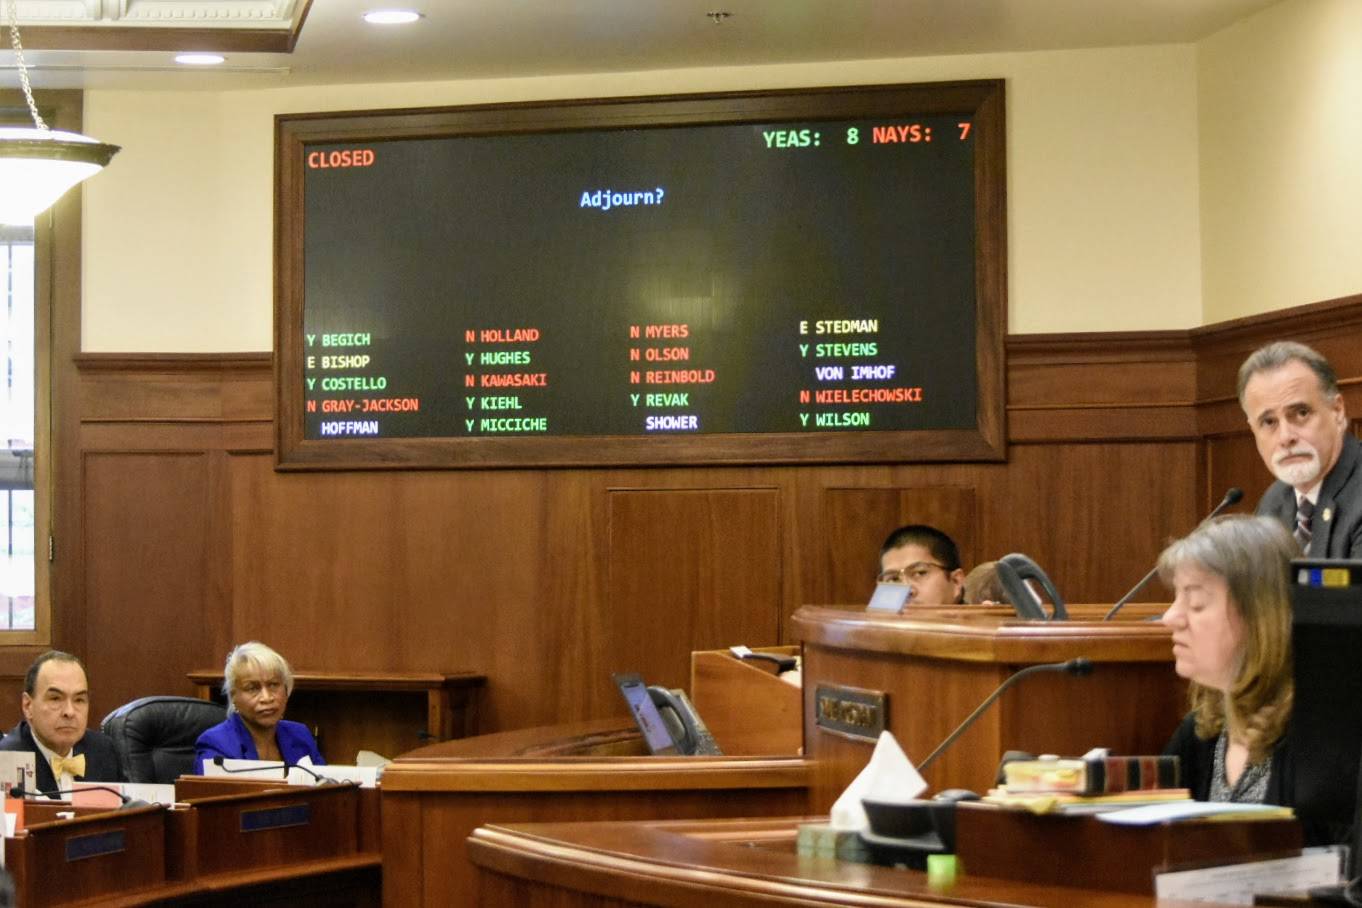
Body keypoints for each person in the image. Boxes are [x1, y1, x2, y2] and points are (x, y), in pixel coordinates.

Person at [1158, 515, 1298, 811]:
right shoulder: (1200, 732)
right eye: (1176, 598)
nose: (1170, 618)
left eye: (1195, 602)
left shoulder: (1322, 745)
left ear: (1260, 617)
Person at [1238, 341, 1362, 557]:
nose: (1286, 437)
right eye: (1269, 422)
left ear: (1337, 410)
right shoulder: (1273, 502)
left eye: (1301, 413)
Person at [0, 651, 123, 796]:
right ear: (28, 706)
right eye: (55, 699)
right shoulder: (7, 760)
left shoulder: (104, 751)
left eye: (79, 700)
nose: (69, 712)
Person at [194, 642, 324, 773]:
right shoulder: (217, 744)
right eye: (252, 688)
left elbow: (325, 789)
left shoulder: (300, 735)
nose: (266, 698)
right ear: (234, 696)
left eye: (273, 685)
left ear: (286, 689)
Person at [877, 524, 965, 605]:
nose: (906, 591)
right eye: (893, 579)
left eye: (920, 573)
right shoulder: (874, 622)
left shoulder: (977, 622)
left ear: (956, 581)